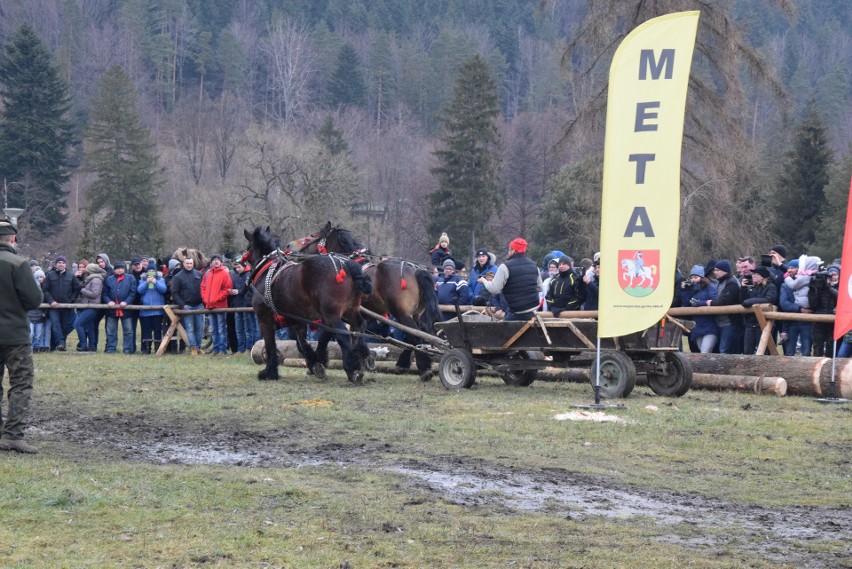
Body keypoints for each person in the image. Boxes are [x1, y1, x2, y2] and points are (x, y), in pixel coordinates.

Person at [0, 217, 44, 453]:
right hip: (15, 334)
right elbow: (34, 299)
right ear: (13, 239)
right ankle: (13, 435)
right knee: (20, 384)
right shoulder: (18, 263)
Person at [476, 238, 542, 321]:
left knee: (502, 332)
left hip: (518, 311)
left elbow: (494, 289)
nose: (508, 252)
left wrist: (484, 281)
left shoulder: (505, 267)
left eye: (509, 250)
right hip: (533, 308)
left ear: (513, 251)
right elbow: (540, 288)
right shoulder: (534, 265)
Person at [779, 256, 820, 356]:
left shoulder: (811, 281)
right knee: (789, 351)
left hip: (807, 321)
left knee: (806, 350)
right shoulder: (785, 285)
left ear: (799, 269)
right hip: (791, 321)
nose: (789, 270)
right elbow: (784, 303)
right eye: (788, 268)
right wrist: (800, 309)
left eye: (792, 268)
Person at [42, 255, 80, 351]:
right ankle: (60, 343)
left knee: (64, 326)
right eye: (59, 263)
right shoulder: (50, 275)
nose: (61, 264)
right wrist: (51, 301)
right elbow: (45, 290)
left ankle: (58, 345)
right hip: (53, 306)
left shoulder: (71, 275)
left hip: (66, 306)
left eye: (63, 263)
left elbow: (76, 289)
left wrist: (71, 300)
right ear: (55, 265)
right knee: (55, 324)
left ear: (66, 265)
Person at [704, 260, 742, 354]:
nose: (715, 272)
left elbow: (724, 301)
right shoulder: (720, 283)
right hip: (720, 322)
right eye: (714, 270)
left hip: (730, 322)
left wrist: (711, 303)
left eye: (717, 270)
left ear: (725, 271)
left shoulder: (731, 283)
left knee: (724, 350)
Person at [680, 265, 719, 353]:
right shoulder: (690, 288)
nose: (693, 279)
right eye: (692, 277)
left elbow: (714, 300)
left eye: (696, 277)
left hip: (710, 325)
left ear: (702, 277)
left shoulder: (710, 287)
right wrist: (684, 290)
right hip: (697, 326)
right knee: (702, 351)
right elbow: (686, 304)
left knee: (705, 351)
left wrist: (699, 303)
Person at [740, 266, 778, 355]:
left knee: (763, 351)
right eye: (753, 274)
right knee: (747, 351)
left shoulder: (771, 287)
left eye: (756, 274)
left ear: (762, 276)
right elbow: (743, 301)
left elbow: (769, 299)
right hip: (750, 322)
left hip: (763, 323)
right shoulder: (752, 287)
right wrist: (743, 288)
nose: (753, 276)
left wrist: (750, 302)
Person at [171, 257, 204, 355]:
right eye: (187, 263)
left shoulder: (199, 274)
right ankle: (192, 347)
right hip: (187, 306)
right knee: (190, 328)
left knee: (200, 328)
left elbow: (204, 288)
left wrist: (204, 301)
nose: (189, 265)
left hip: (199, 305)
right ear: (183, 264)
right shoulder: (178, 277)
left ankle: (198, 347)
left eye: (191, 263)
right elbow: (175, 292)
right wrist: (182, 305)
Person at [102, 261, 137, 354]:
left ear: (124, 269)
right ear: (114, 270)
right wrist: (108, 301)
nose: (120, 270)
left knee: (128, 331)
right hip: (112, 310)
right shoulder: (109, 279)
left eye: (121, 268)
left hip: (126, 310)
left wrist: (126, 302)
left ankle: (128, 349)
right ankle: (111, 348)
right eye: (117, 268)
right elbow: (104, 293)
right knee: (111, 331)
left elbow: (133, 292)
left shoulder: (130, 278)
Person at [201, 254, 233, 355]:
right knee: (213, 329)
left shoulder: (224, 273)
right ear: (211, 263)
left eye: (218, 260)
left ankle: (222, 350)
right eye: (214, 260)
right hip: (209, 305)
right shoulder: (207, 274)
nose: (216, 262)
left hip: (220, 305)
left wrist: (217, 298)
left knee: (221, 329)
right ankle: (215, 349)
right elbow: (203, 287)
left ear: (221, 262)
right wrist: (205, 298)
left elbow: (227, 289)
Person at [73, 263, 107, 352]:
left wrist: (82, 289)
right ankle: (92, 346)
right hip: (88, 306)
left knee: (78, 324)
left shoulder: (96, 280)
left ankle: (83, 345)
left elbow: (94, 294)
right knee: (90, 326)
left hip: (92, 306)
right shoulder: (91, 279)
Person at [136, 261, 167, 354]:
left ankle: (158, 349)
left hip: (158, 311)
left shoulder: (161, 279)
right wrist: (146, 282)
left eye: (153, 271)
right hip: (145, 311)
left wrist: (155, 282)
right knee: (146, 330)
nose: (151, 273)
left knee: (158, 330)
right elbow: (139, 290)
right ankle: (147, 349)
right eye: (149, 271)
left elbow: (164, 290)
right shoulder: (142, 279)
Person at [810, 264, 840, 357]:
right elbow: (813, 304)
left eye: (835, 275)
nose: (833, 277)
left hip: (834, 322)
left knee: (831, 348)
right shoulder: (820, 285)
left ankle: (829, 368)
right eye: (830, 275)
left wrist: (828, 287)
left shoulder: (841, 286)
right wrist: (812, 290)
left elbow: (840, 297)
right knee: (817, 346)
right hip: (819, 321)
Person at [229, 259, 257, 353]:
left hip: (246, 305)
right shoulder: (234, 275)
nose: (237, 269)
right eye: (235, 267)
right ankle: (241, 349)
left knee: (248, 329)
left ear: (244, 266)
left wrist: (239, 291)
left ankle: (249, 348)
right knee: (239, 329)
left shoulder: (249, 275)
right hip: (237, 305)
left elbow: (248, 290)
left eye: (239, 267)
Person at [28, 269, 50, 352]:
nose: (40, 279)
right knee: (31, 334)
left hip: (40, 315)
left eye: (41, 277)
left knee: (38, 334)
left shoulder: (46, 289)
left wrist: (44, 312)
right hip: (30, 315)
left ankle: (35, 347)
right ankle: (29, 348)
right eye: (37, 277)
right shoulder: (30, 289)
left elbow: (46, 301)